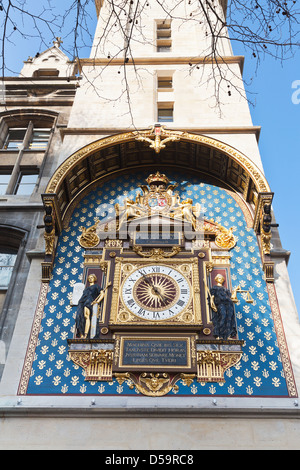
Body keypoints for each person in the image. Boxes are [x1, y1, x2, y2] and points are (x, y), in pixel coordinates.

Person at [209, 274, 237, 340]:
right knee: (222, 317)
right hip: (220, 304)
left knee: (229, 318)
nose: (221, 279)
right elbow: (212, 297)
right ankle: (219, 334)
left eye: (222, 278)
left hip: (229, 304)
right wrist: (212, 304)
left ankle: (227, 336)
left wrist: (235, 290)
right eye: (219, 278)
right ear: (216, 279)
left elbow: (232, 297)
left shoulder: (225, 289)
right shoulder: (215, 288)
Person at [75, 274, 102, 339]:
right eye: (89, 278)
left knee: (87, 316)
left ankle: (86, 334)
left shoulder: (96, 286)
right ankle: (82, 333)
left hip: (89, 301)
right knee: (81, 317)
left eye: (92, 277)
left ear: (94, 278)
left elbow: (102, 294)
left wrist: (97, 301)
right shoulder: (86, 288)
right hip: (82, 302)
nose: (90, 278)